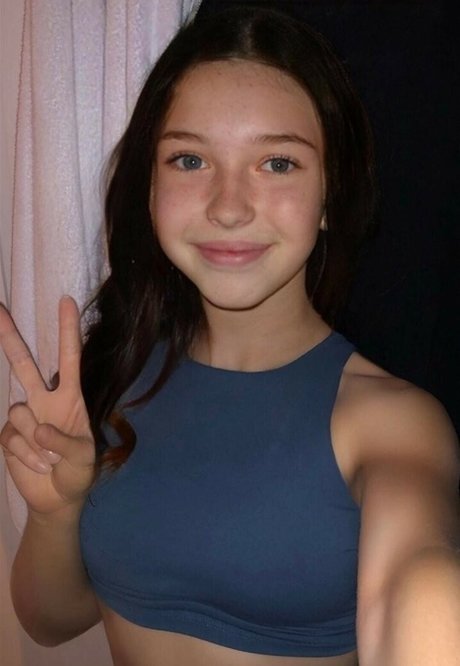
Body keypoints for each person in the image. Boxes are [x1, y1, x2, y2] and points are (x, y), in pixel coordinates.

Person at [0, 7, 459, 666]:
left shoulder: (391, 422)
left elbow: (419, 586)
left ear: (330, 194)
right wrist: (54, 512)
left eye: (277, 163)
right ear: (150, 184)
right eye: (189, 159)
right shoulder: (112, 375)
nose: (228, 206)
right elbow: (49, 621)